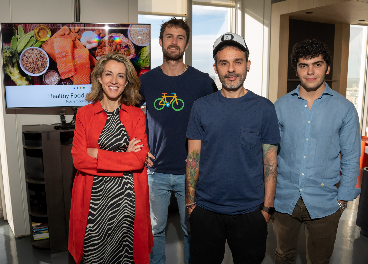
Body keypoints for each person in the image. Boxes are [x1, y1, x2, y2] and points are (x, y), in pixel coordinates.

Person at [186, 32, 280, 264]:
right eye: (224, 63)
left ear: (248, 65)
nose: (231, 69)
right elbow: (193, 158)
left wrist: (267, 209)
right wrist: (190, 204)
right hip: (206, 210)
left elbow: (270, 161)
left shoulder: (264, 108)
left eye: (237, 62)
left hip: (250, 212)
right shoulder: (201, 107)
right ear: (216, 68)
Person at [273, 39, 361, 264]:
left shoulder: (345, 109)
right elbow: (270, 154)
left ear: (327, 68)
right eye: (303, 65)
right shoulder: (280, 106)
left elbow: (351, 156)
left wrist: (342, 200)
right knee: (283, 256)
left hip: (326, 202)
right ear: (296, 69)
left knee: (319, 260)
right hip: (284, 199)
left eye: (317, 64)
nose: (310, 71)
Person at [139, 18, 217, 264]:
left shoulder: (203, 82)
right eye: (169, 37)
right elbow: (128, 116)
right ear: (160, 42)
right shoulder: (146, 81)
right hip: (155, 171)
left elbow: (215, 121)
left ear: (186, 44)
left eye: (180, 37)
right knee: (155, 231)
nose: (174, 42)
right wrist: (138, 147)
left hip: (191, 172)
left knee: (192, 230)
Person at [68, 52, 153, 264]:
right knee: (93, 256)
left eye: (120, 76)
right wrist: (124, 156)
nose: (114, 81)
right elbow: (79, 160)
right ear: (99, 78)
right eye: (108, 74)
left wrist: (97, 154)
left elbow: (138, 159)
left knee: (126, 257)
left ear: (126, 83)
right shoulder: (84, 115)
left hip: (127, 204)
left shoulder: (136, 115)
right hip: (94, 203)